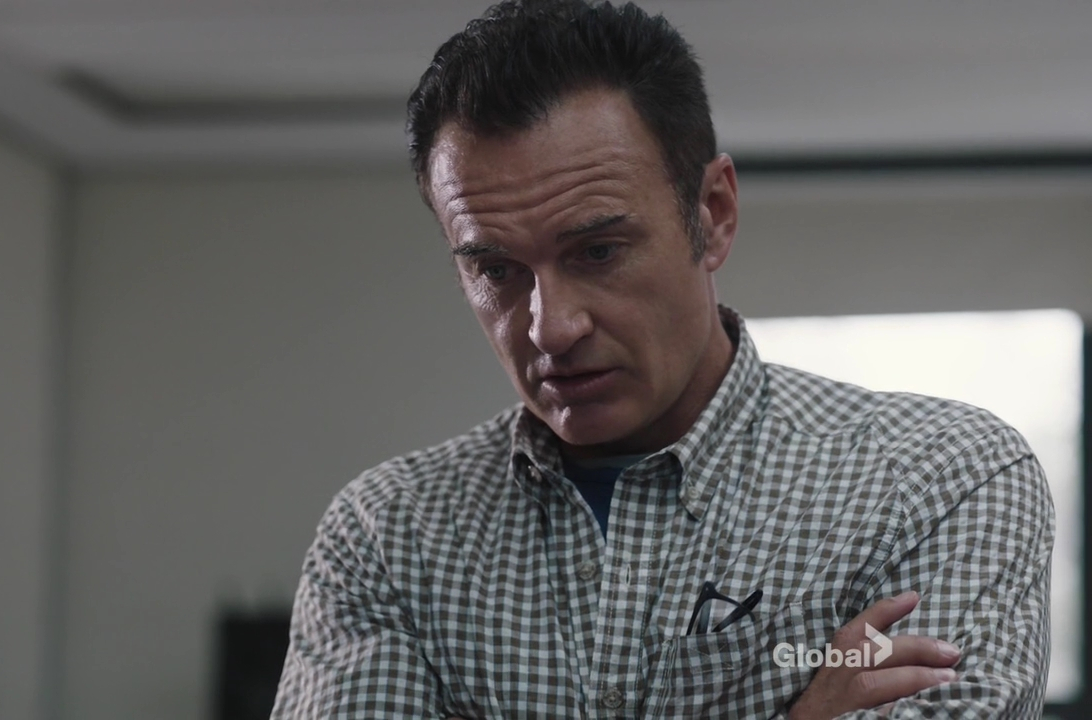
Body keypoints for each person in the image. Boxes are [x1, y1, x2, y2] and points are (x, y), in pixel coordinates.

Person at [271, 1, 1054, 717]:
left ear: (712, 215)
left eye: (598, 251)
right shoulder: (390, 537)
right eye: (497, 270)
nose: (550, 327)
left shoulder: (936, 482)